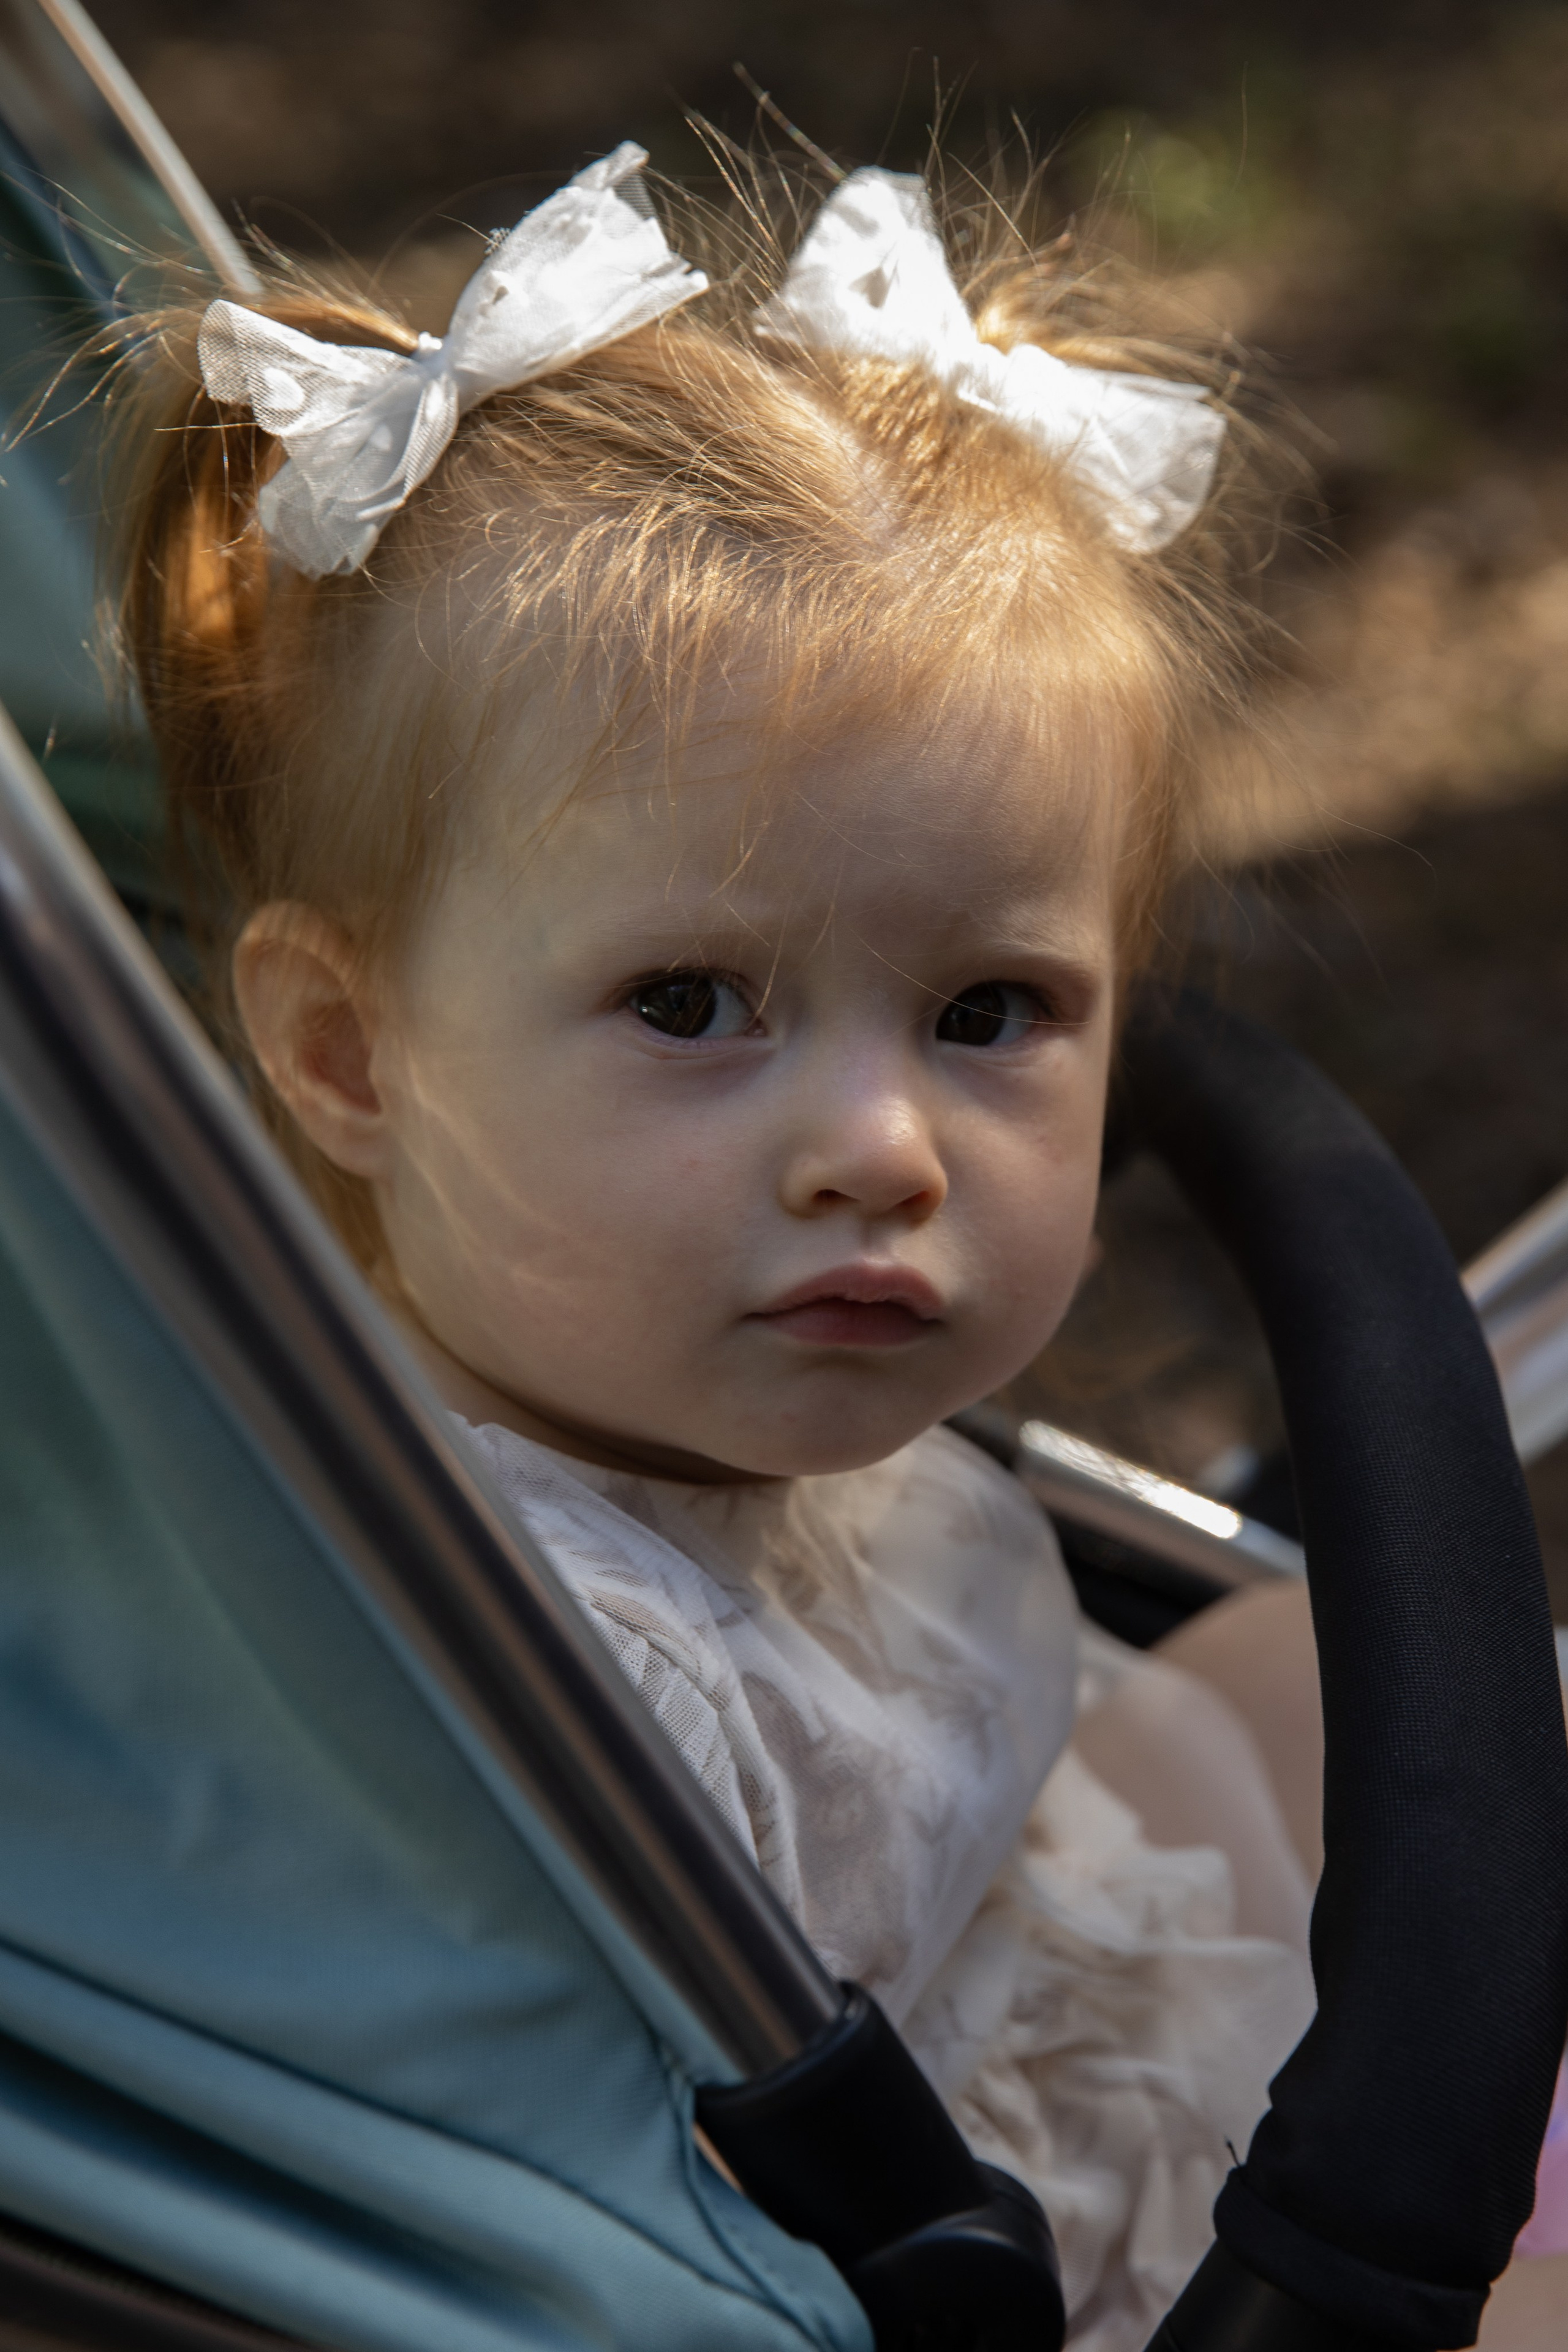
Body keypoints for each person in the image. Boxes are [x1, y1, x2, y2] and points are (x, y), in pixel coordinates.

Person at [102, 145, 1561, 2348]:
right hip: (1076, 2257)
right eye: (693, 1005)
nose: (882, 1150)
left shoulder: (676, 1380)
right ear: (347, 1052)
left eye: (991, 1014)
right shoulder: (540, 1714)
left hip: (1090, 1926)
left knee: (1353, 1685)